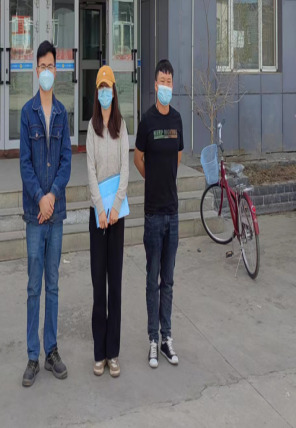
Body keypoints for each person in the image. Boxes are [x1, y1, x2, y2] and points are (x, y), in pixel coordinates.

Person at [20, 40, 72, 387]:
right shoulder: (27, 113)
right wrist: (40, 198)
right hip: (34, 215)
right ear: (35, 70)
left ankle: (51, 350)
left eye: (51, 66)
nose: (47, 71)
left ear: (57, 69)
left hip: (56, 212)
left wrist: (52, 196)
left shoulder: (63, 114)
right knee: (33, 287)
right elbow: (25, 164)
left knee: (52, 284)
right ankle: (32, 355)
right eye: (42, 66)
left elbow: (67, 161)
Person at [134, 59, 183, 370]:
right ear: (155, 85)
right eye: (161, 82)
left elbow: (178, 156)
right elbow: (138, 158)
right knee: (152, 279)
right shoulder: (147, 120)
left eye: (169, 82)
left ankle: (167, 338)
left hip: (172, 212)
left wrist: (165, 178)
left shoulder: (177, 119)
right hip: (153, 214)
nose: (165, 86)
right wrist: (152, 178)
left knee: (169, 280)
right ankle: (153, 338)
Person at [87, 66, 129, 378]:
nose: (104, 92)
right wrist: (100, 209)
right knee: (98, 287)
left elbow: (126, 169)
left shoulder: (121, 126)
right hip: (98, 216)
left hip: (117, 215)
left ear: (114, 91)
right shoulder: (91, 127)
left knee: (115, 285)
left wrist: (114, 208)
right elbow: (89, 169)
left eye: (108, 87)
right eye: (100, 87)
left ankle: (113, 353)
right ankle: (98, 353)